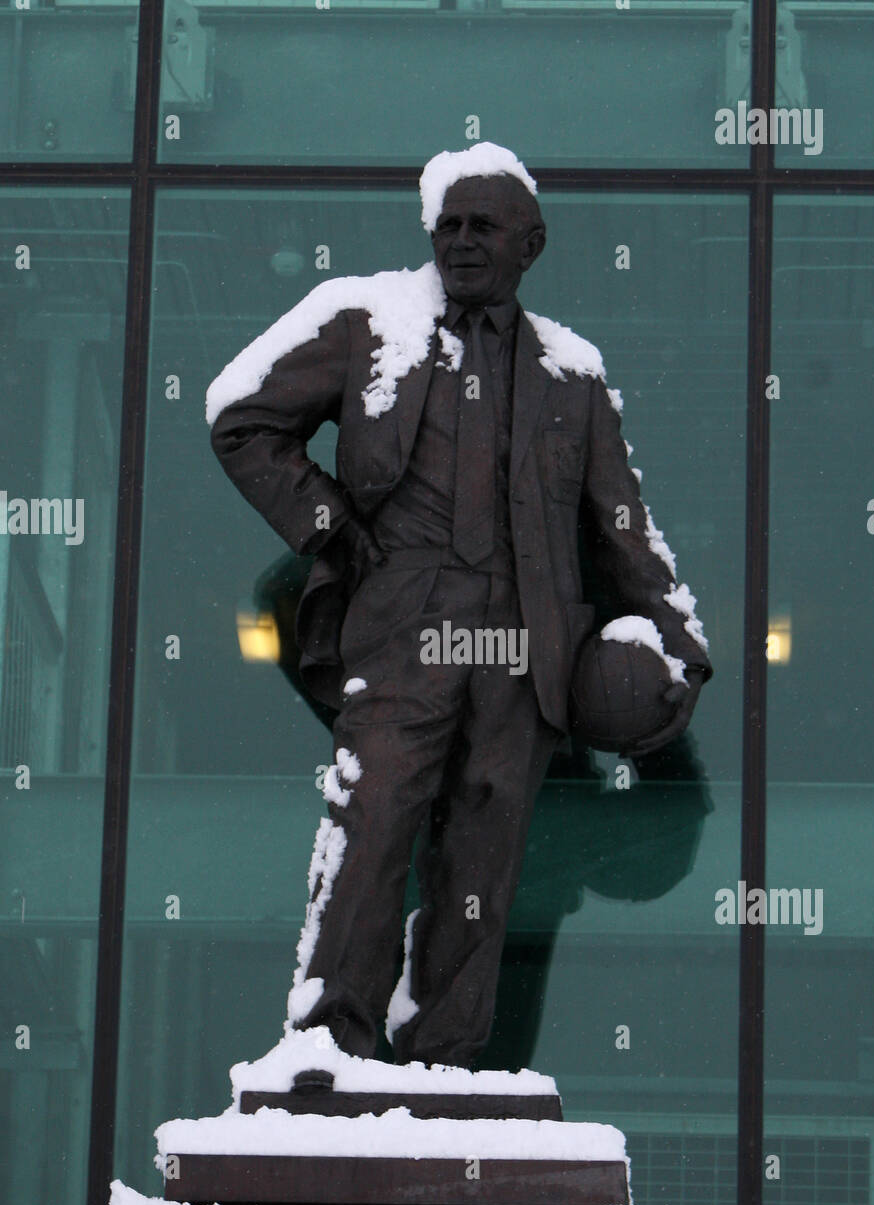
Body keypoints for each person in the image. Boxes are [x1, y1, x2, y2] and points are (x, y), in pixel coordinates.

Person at [207, 143, 711, 1073]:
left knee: (485, 850)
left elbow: (623, 526)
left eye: (484, 227)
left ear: (531, 243)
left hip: (524, 642)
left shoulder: (574, 375)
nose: (462, 241)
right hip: (406, 619)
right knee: (375, 818)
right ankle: (327, 1041)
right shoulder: (365, 321)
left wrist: (677, 641)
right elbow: (239, 414)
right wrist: (326, 522)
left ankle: (445, 1060)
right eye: (448, 225)